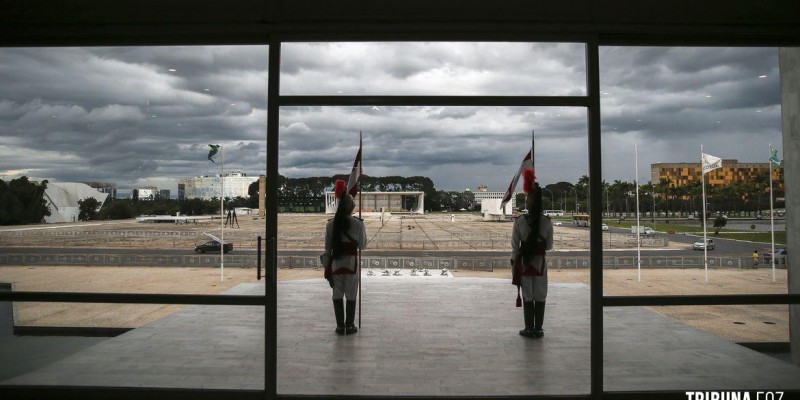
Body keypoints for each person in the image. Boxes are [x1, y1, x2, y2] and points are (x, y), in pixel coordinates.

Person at [511, 169, 554, 339]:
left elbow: (515, 246)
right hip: (540, 263)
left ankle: (529, 328)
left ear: (529, 202)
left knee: (528, 295)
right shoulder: (547, 222)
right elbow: (549, 246)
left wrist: (515, 264)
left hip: (524, 263)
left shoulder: (520, 221)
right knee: (541, 295)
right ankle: (539, 329)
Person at [323, 179, 367, 335]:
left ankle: (340, 326)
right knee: (351, 295)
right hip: (351, 264)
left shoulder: (330, 224)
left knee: (337, 294)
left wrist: (327, 269)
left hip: (336, 264)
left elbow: (327, 249)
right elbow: (362, 246)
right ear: (351, 207)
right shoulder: (358, 224)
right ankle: (350, 325)